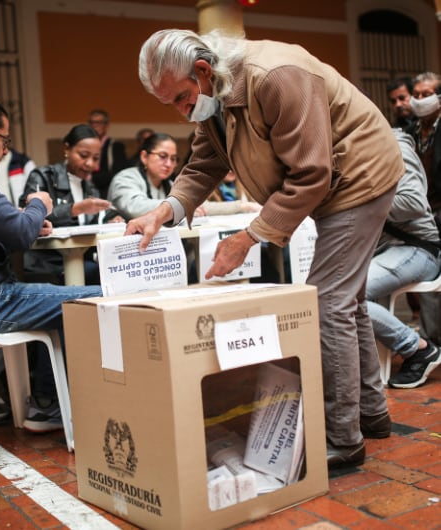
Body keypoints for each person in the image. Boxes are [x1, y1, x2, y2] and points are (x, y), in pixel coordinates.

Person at [126, 29, 404, 469]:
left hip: (359, 176)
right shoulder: (212, 95)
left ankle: (343, 438)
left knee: (327, 302)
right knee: (346, 301)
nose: (182, 112)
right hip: (329, 187)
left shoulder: (275, 77)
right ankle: (371, 414)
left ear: (202, 70)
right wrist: (164, 211)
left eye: (181, 98)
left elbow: (312, 173)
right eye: (172, 105)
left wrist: (249, 237)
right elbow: (205, 163)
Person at [0, 95, 104, 433]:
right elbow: (18, 235)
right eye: (5, 140)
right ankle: (56, 404)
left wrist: (28, 218)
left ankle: (47, 402)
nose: (6, 149)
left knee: (74, 294)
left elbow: (1, 231)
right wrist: (38, 205)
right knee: (98, 297)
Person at [366, 128, 441, 390]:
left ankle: (418, 348)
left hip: (418, 249)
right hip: (384, 252)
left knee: (344, 295)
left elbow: (413, 202)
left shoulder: (392, 143)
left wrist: (355, 199)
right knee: (327, 290)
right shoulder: (347, 150)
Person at [19, 124, 112, 285]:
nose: (90, 163)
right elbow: (28, 217)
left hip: (81, 259)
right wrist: (76, 209)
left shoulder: (90, 187)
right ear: (67, 149)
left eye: (96, 158)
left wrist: (111, 219)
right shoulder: (43, 176)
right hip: (46, 262)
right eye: (83, 155)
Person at [406, 72, 441, 348]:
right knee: (430, 277)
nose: (419, 100)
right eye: (416, 95)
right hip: (420, 214)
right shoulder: (409, 131)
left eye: (426, 94)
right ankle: (432, 339)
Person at [108, 132, 180, 221]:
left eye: (173, 159)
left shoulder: (171, 185)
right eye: (162, 156)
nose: (169, 164)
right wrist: (178, 206)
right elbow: (135, 208)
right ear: (144, 157)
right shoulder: (125, 178)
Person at [88, 109, 128, 199]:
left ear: (106, 125)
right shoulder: (85, 146)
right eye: (92, 123)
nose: (95, 126)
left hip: (108, 193)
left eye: (98, 123)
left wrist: (90, 178)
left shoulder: (115, 146)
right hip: (88, 192)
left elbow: (118, 173)